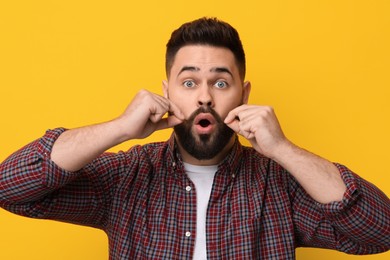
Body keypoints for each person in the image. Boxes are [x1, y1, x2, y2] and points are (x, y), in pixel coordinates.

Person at [0, 17, 389, 260]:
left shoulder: (279, 185)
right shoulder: (125, 177)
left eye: (221, 82)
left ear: (244, 95)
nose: (204, 96)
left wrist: (283, 150)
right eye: (189, 82)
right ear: (166, 91)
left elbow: (379, 232)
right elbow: (11, 187)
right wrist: (119, 127)